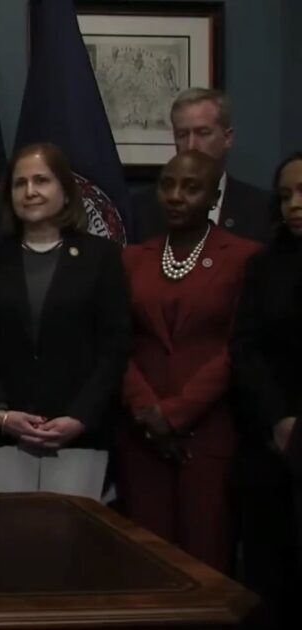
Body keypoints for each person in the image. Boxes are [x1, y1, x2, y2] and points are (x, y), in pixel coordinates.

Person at [0, 143, 129, 499]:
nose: (30, 191)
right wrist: (0, 414)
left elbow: (114, 348)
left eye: (42, 181)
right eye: (20, 183)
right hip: (1, 438)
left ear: (65, 192)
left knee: (69, 550)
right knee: (4, 550)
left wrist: (80, 416)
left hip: (77, 438)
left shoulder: (102, 258)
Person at [119, 150, 261, 573]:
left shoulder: (244, 256)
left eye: (191, 187)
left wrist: (176, 415)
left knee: (206, 560)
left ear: (214, 194)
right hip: (141, 433)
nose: (176, 196)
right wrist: (149, 412)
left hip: (207, 433)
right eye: (168, 185)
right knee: (146, 562)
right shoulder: (133, 258)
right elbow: (116, 342)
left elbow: (238, 347)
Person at [232, 152, 302, 629]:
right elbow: (246, 348)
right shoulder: (265, 264)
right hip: (271, 439)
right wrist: (279, 418)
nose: (295, 204)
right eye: (286, 196)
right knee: (268, 574)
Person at [132, 88, 272, 244]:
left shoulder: (262, 208)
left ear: (227, 138)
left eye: (203, 133)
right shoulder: (141, 209)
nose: (192, 146)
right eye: (182, 135)